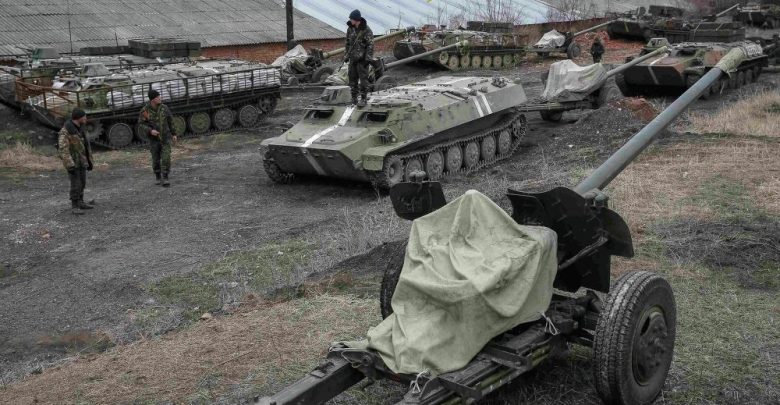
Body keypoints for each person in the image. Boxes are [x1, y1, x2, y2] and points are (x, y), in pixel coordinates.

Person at [58, 108, 94, 215]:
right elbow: (63, 150)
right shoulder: (66, 131)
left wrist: (89, 161)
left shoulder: (81, 128)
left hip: (82, 161)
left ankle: (81, 202)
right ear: (79, 118)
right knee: (75, 184)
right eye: (84, 116)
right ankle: (74, 206)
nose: (86, 118)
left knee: (82, 182)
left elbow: (85, 146)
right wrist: (69, 165)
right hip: (73, 163)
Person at [138, 89, 178, 187]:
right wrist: (150, 131)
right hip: (154, 140)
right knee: (156, 159)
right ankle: (158, 176)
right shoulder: (145, 110)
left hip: (165, 138)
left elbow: (170, 121)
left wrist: (174, 134)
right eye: (157, 97)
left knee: (166, 157)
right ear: (153, 99)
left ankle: (165, 177)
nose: (160, 98)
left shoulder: (164, 108)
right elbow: (141, 124)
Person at [344, 9, 373, 107]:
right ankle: (354, 98)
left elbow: (370, 45)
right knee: (352, 79)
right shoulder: (350, 29)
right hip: (353, 59)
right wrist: (346, 55)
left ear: (357, 19)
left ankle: (364, 99)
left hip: (362, 60)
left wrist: (367, 59)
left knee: (363, 80)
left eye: (352, 19)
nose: (350, 20)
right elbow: (347, 43)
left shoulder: (366, 30)